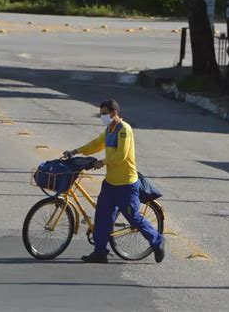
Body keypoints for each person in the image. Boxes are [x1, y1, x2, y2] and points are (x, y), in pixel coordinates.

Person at [64, 99, 165, 264]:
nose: (102, 116)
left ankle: (157, 241)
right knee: (102, 218)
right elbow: (96, 144)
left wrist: (101, 162)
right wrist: (75, 151)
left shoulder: (124, 130)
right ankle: (99, 252)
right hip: (110, 183)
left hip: (126, 185)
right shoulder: (109, 129)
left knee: (134, 218)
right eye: (101, 113)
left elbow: (121, 155)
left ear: (114, 113)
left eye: (104, 113)